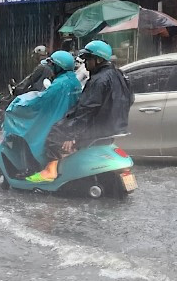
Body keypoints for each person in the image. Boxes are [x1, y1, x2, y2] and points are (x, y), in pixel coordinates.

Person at [40, 40, 132, 181]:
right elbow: (130, 99)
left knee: (53, 135)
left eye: (88, 59)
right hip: (113, 126)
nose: (85, 64)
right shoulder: (119, 75)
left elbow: (86, 110)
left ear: (98, 59)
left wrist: (72, 135)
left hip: (96, 128)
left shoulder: (98, 80)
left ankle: (50, 174)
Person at [0, 51, 82, 182]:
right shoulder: (73, 80)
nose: (50, 69)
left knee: (29, 133)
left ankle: (35, 168)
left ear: (59, 66)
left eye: (52, 65)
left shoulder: (59, 84)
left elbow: (40, 100)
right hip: (63, 118)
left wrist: (20, 103)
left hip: (55, 120)